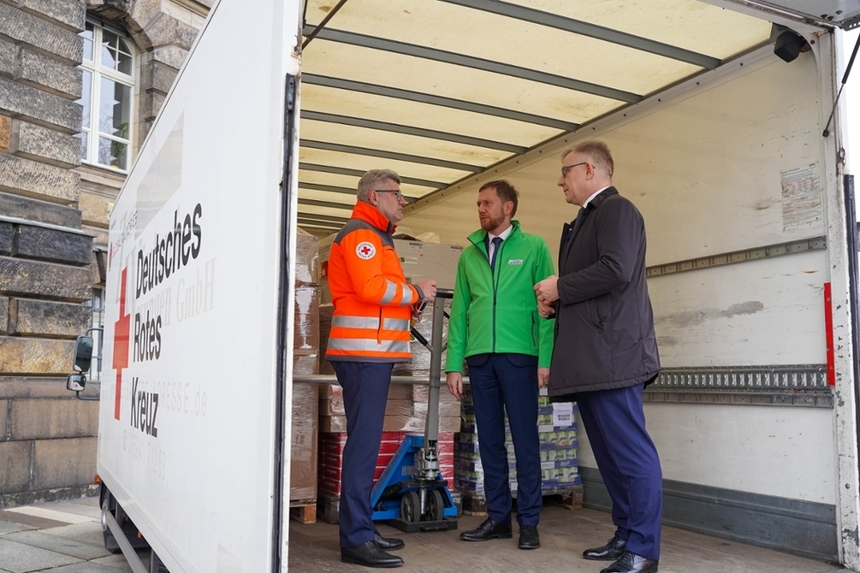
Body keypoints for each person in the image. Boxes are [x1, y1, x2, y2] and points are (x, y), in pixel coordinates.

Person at [534, 141, 662, 573]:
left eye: (565, 171)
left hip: (614, 357)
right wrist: (557, 302)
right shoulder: (585, 220)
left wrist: (559, 287)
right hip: (593, 359)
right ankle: (627, 534)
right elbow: (597, 283)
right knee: (609, 457)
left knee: (631, 453)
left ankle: (643, 550)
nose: (560, 180)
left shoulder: (616, 210)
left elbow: (617, 269)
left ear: (589, 169)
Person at [326, 169, 437, 569]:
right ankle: (355, 538)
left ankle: (363, 529)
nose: (403, 200)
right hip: (362, 354)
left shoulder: (378, 237)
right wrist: (416, 292)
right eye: (397, 194)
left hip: (374, 353)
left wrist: (412, 301)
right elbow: (371, 290)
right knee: (363, 445)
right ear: (375, 196)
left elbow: (381, 296)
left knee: (366, 443)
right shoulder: (361, 235)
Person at [445, 180, 555, 551]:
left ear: (508, 207)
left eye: (487, 203)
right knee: (488, 440)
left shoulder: (534, 247)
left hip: (520, 356)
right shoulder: (469, 254)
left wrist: (546, 359)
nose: (481, 209)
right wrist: (453, 364)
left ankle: (529, 522)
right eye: (478, 203)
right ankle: (496, 519)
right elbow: (459, 312)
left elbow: (548, 309)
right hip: (480, 358)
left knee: (524, 440)